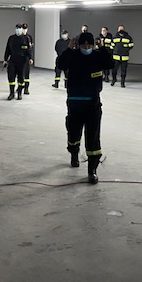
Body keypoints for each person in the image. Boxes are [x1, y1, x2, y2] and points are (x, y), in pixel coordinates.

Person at [56, 32, 114, 184]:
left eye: (89, 45)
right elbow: (61, 64)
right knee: (73, 134)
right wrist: (69, 48)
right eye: (83, 45)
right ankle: (74, 154)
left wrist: (103, 48)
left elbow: (110, 64)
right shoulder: (73, 56)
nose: (86, 47)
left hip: (93, 104)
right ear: (78, 44)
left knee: (93, 137)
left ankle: (92, 170)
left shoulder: (97, 56)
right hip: (75, 103)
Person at [3, 24, 33, 101]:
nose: (18, 30)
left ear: (22, 29)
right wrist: (5, 59)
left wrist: (30, 58)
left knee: (21, 79)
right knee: (11, 77)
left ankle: (19, 93)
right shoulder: (11, 38)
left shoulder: (26, 38)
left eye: (19, 28)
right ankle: (11, 93)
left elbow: (29, 49)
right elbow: (7, 49)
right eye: (17, 28)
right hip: (13, 61)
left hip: (22, 62)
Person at [21, 23, 34, 94]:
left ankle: (26, 88)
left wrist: (31, 58)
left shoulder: (29, 37)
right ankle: (20, 87)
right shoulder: (18, 37)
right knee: (20, 74)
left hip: (26, 58)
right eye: (23, 28)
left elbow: (30, 49)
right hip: (20, 58)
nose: (24, 30)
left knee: (26, 74)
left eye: (25, 29)